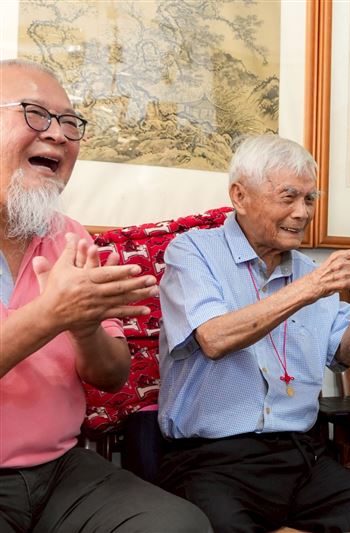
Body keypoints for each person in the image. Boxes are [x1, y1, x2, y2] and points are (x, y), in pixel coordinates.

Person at [156, 133, 350, 533]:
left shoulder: (310, 271)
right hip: (211, 459)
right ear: (240, 196)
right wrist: (312, 287)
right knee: (222, 525)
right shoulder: (193, 252)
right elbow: (214, 339)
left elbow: (347, 356)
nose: (302, 213)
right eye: (288, 197)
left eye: (309, 199)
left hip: (299, 454)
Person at [0, 59, 210, 532]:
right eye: (35, 113)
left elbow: (111, 377)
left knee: (179, 525)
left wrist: (85, 327)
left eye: (69, 122)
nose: (58, 134)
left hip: (60, 469)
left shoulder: (70, 236)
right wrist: (52, 314)